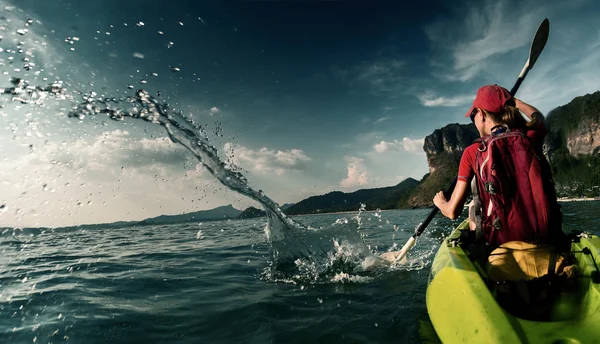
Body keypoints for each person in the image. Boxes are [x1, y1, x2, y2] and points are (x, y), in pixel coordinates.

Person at [432, 84, 565, 251]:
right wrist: (516, 102)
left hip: (500, 247)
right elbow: (538, 118)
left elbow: (452, 212)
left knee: (473, 209)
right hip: (546, 240)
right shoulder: (530, 138)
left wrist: (441, 203)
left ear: (481, 114)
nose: (473, 119)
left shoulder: (473, 152)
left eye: (473, 114)